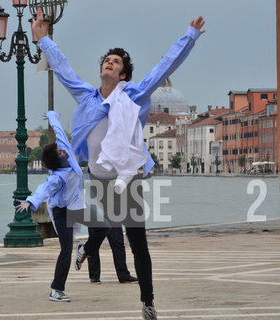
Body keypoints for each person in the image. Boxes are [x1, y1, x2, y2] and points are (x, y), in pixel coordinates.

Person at [32, 9, 205, 319]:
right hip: (99, 180)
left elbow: (165, 65)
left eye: (116, 62)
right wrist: (43, 39)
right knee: (104, 225)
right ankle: (88, 250)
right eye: (106, 60)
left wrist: (189, 37)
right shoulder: (86, 97)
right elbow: (62, 68)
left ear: (123, 74)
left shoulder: (135, 96)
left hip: (128, 178)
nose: (109, 63)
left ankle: (147, 302)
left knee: (137, 243)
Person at [15, 111, 110, 302]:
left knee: (104, 226)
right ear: (57, 162)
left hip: (77, 207)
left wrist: (52, 116)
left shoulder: (65, 150)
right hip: (62, 213)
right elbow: (44, 189)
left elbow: (59, 131)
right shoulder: (58, 177)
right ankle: (56, 290)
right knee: (65, 250)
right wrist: (30, 201)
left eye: (61, 149)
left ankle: (85, 250)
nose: (63, 151)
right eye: (60, 153)